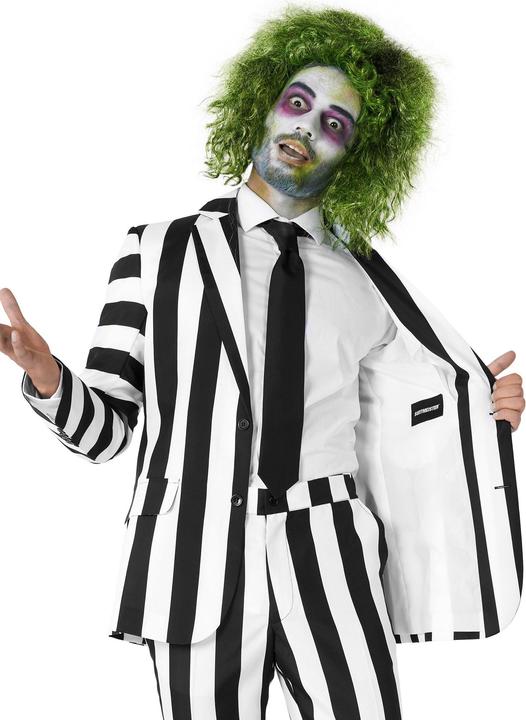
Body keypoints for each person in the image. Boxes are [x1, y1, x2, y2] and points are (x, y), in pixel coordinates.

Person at [1, 6, 523, 719]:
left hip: (331, 550)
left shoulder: (370, 281)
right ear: (262, 103)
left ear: (358, 154)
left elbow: (410, 421)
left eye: (335, 124)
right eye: (298, 103)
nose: (307, 129)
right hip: (193, 560)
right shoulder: (155, 250)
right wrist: (48, 378)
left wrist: (482, 412)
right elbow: (108, 433)